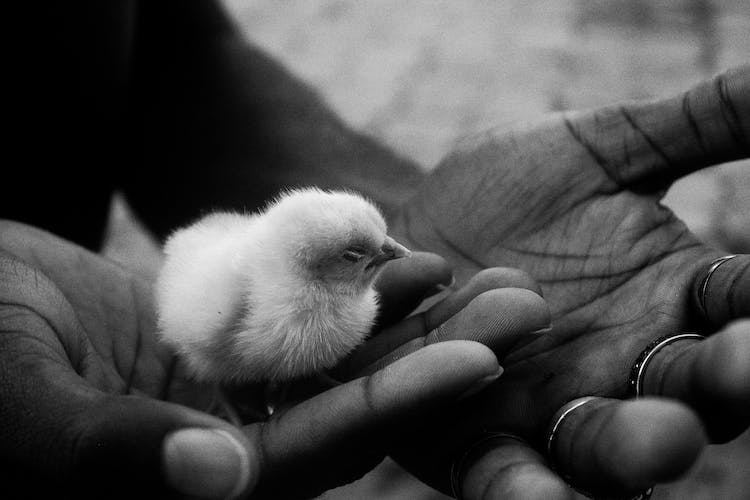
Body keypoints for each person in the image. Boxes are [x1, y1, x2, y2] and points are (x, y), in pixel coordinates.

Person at [2, 1, 747, 498]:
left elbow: (168, 48)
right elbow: (206, 312)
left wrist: (406, 214)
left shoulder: (301, 270)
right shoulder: (256, 295)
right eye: (367, 254)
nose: (388, 252)